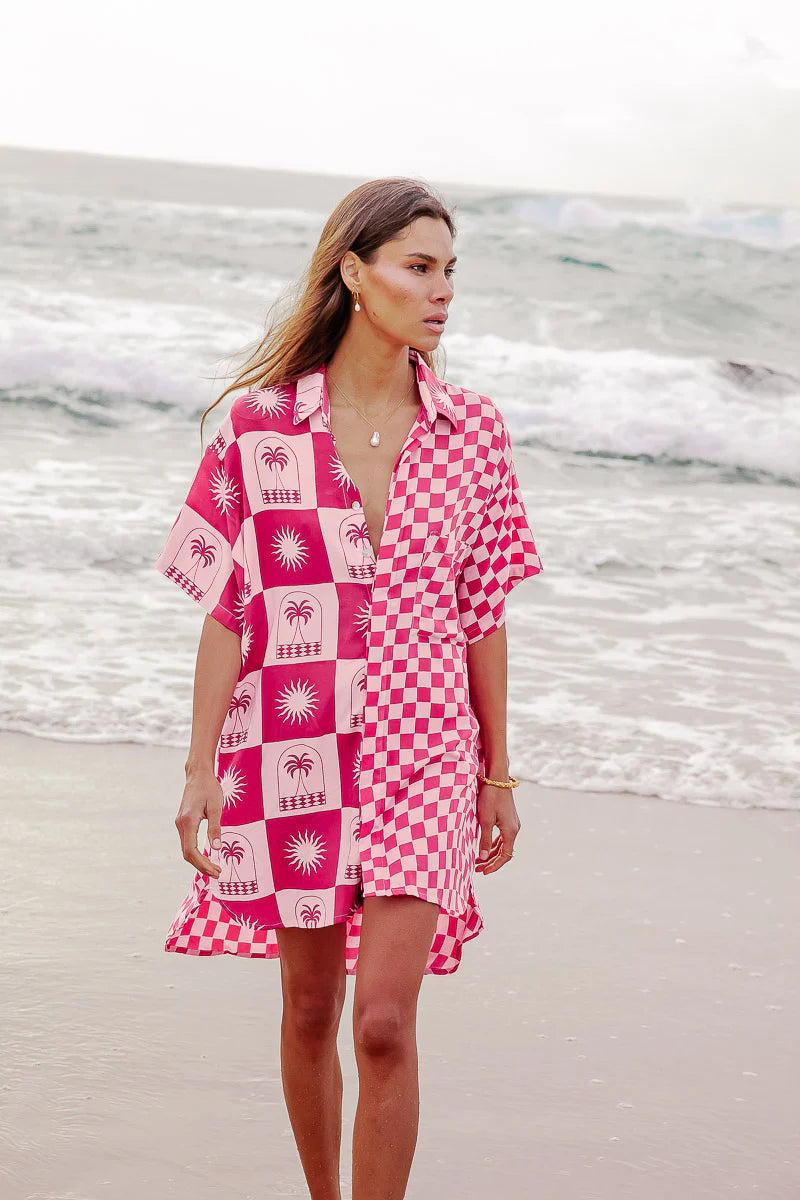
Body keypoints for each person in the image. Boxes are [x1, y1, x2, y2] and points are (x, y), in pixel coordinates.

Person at [154, 176, 543, 1200]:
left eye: (449, 269)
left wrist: (497, 776)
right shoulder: (260, 428)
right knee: (309, 1007)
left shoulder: (473, 433)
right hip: (293, 746)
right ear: (353, 273)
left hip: (424, 754)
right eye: (419, 267)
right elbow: (228, 608)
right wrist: (199, 770)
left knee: (380, 1024)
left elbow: (485, 610)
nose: (442, 290)